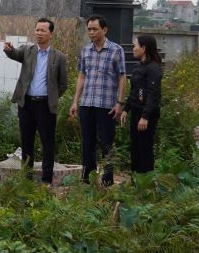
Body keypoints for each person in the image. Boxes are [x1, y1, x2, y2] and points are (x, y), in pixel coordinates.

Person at [3, 18, 70, 185]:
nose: (39, 33)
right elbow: (14, 53)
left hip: (46, 105)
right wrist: (9, 50)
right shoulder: (28, 51)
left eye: (43, 30)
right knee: (26, 142)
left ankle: (47, 180)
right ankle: (26, 178)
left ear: (51, 33)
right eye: (37, 30)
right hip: (26, 104)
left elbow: (63, 84)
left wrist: (52, 96)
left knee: (48, 143)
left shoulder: (59, 57)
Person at [69, 15, 127, 186]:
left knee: (107, 142)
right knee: (87, 140)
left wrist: (120, 102)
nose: (91, 32)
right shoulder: (86, 51)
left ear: (104, 30)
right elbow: (81, 76)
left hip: (107, 104)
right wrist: (75, 101)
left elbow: (122, 77)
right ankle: (87, 176)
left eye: (95, 29)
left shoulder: (116, 50)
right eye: (89, 29)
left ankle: (108, 179)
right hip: (87, 103)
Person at [121, 34, 163, 174]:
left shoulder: (154, 68)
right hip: (136, 111)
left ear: (143, 48)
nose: (133, 48)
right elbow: (134, 91)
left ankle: (146, 181)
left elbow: (153, 94)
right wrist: (126, 109)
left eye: (135, 45)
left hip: (147, 114)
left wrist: (145, 116)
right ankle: (135, 179)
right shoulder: (139, 66)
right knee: (135, 146)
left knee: (145, 147)